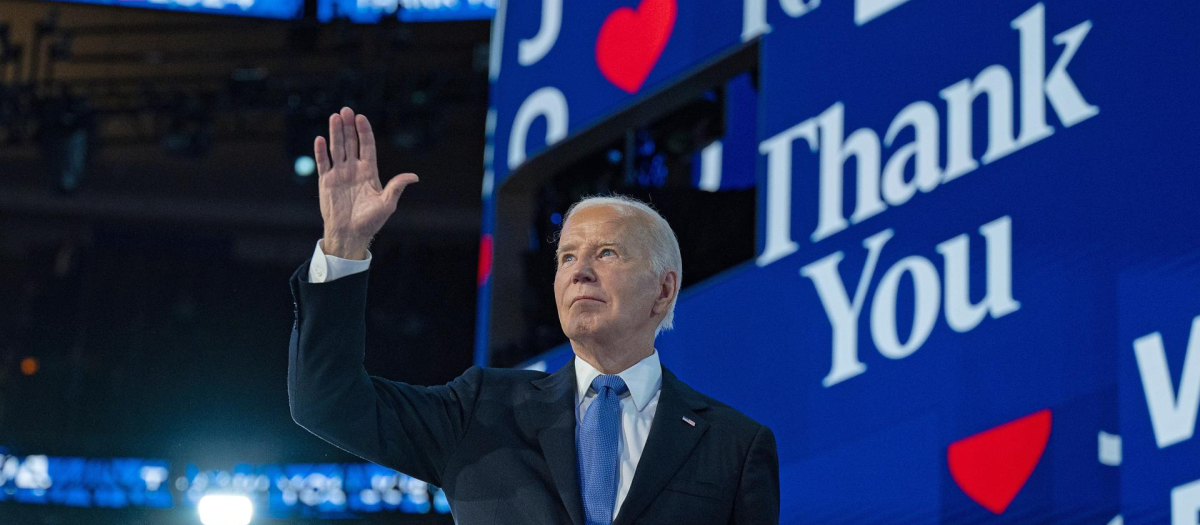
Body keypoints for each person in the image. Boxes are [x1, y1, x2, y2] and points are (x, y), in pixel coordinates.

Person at [288, 107, 780, 524]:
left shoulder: (733, 446)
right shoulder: (481, 409)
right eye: (567, 257)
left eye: (607, 253)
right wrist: (345, 247)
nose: (579, 272)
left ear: (663, 288)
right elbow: (327, 404)